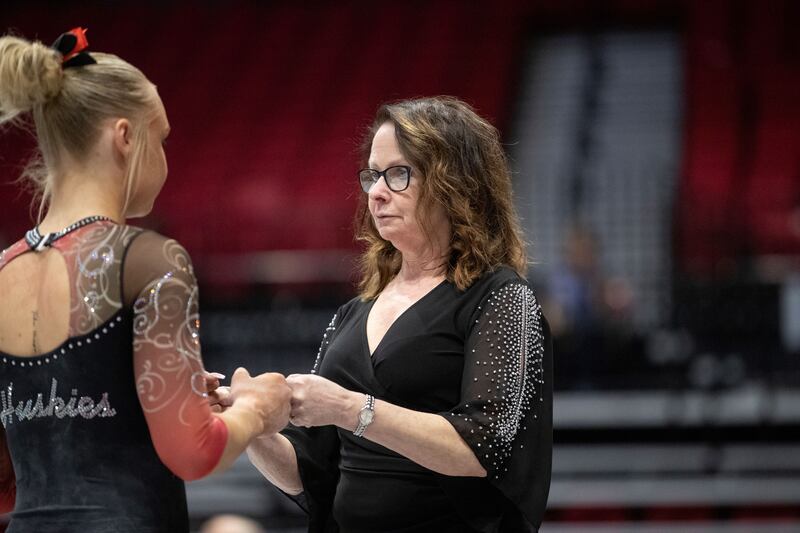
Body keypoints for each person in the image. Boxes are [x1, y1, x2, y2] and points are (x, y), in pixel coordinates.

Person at [0, 29, 291, 532]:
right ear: (125, 136)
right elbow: (195, 453)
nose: (165, 159)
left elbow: (7, 483)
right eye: (161, 138)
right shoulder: (146, 259)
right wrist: (258, 408)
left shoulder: (5, 269)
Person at [244, 97, 553, 532]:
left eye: (398, 174)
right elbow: (307, 473)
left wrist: (351, 408)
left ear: (455, 184)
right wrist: (251, 424)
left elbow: (484, 445)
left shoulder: (500, 297)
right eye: (372, 175)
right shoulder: (354, 312)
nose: (376, 192)